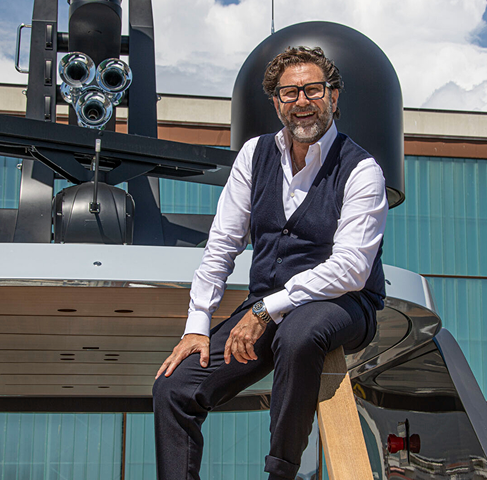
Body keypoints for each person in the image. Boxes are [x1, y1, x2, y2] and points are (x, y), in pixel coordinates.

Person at [153, 46, 388, 480]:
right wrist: (196, 325)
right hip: (268, 302)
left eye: (313, 89)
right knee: (173, 387)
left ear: (333, 96)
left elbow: (352, 268)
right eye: (289, 93)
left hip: (344, 303)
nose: (302, 101)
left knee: (300, 334)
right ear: (276, 102)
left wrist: (265, 309)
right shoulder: (254, 155)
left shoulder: (362, 170)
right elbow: (222, 244)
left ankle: (281, 472)